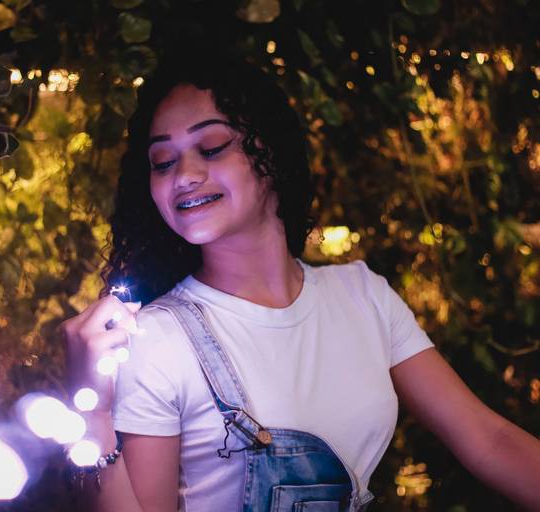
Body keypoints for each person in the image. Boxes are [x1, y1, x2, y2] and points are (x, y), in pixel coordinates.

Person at [61, 50, 540, 511]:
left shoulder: (362, 296)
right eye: (163, 161)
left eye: (212, 147)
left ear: (269, 151)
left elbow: (488, 439)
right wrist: (93, 414)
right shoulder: (156, 339)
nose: (184, 175)